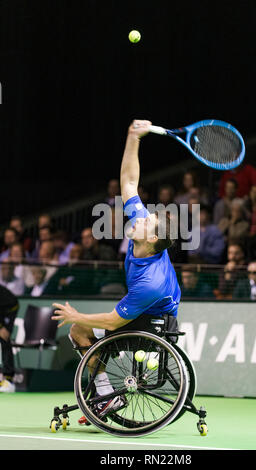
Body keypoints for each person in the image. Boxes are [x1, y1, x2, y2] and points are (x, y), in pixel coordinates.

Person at [52, 120, 181, 422]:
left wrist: (77, 317)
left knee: (79, 331)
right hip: (149, 313)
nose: (139, 218)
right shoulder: (145, 238)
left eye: (146, 221)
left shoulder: (151, 282)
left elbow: (112, 320)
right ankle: (104, 394)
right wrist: (133, 137)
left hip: (151, 324)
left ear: (151, 238)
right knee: (88, 329)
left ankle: (105, 394)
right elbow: (128, 182)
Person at [0, 285, 19, 392]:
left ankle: (9, 380)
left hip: (9, 309)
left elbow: (13, 303)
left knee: (4, 337)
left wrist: (2, 327)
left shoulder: (6, 298)